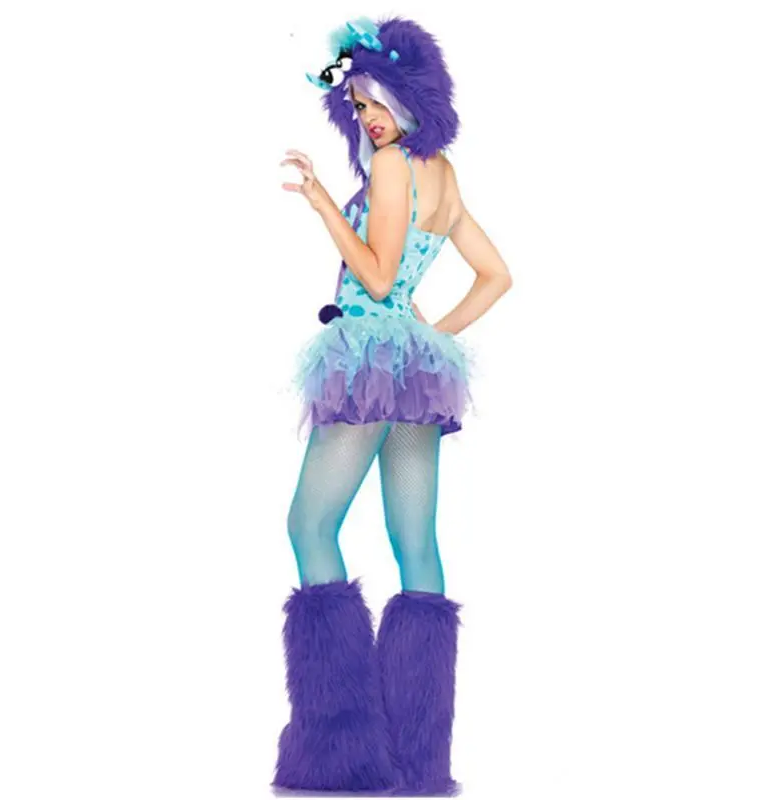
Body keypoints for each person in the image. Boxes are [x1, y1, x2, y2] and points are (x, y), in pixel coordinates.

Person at [272, 15, 512, 795]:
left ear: (410, 95)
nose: (369, 117)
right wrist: (430, 339)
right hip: (413, 368)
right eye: (358, 104)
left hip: (369, 357)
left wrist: (321, 203)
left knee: (310, 526)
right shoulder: (444, 174)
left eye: (377, 100)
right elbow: (495, 274)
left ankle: (340, 748)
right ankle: (417, 758)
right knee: (417, 543)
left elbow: (376, 278)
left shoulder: (393, 165)